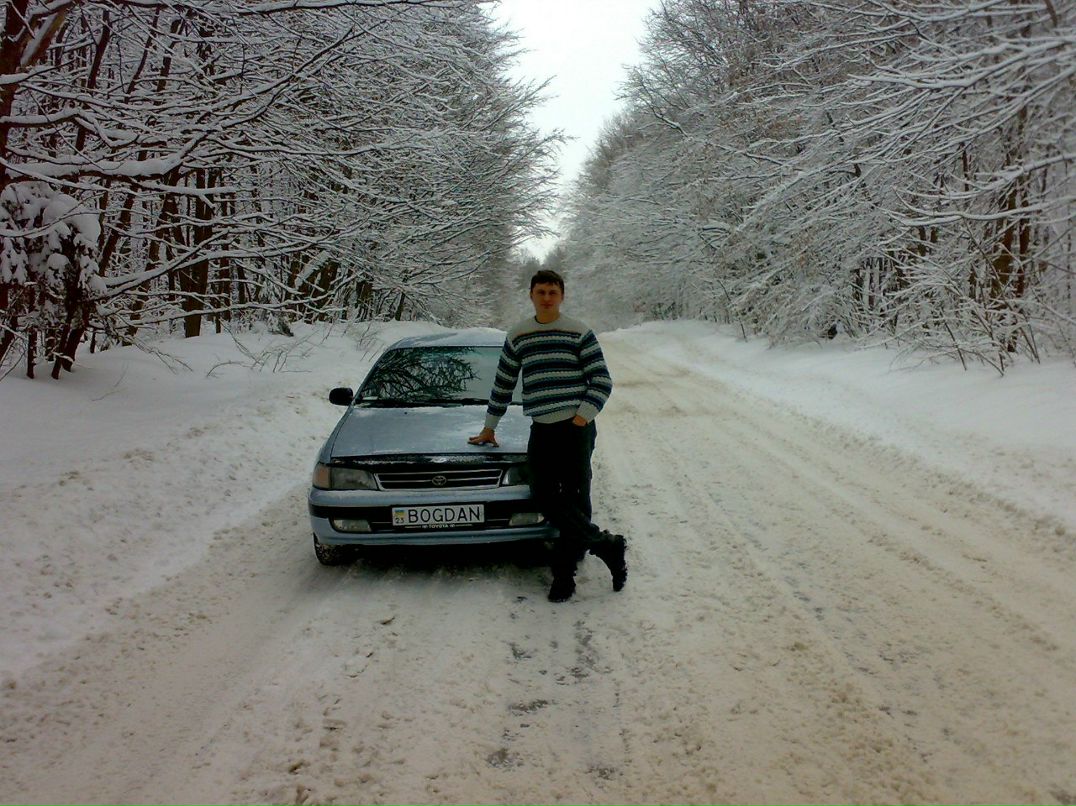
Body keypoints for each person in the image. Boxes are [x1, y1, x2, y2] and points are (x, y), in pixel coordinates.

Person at [469, 269, 627, 602]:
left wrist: (582, 418)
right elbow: (503, 384)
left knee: (574, 494)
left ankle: (564, 575)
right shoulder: (519, 336)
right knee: (542, 492)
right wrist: (489, 426)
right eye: (540, 291)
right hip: (542, 427)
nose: (546, 297)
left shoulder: (579, 332)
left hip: (575, 428)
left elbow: (601, 380)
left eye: (553, 292)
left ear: (562, 296)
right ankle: (605, 544)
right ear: (531, 295)